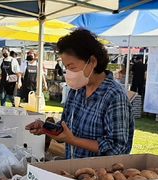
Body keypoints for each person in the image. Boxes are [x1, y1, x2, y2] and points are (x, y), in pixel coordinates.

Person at [25, 29, 134, 159]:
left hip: (99, 176)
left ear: (92, 62)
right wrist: (46, 128)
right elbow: (65, 130)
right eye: (66, 67)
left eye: (72, 67)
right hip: (72, 170)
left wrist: (74, 140)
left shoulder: (114, 96)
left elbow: (117, 148)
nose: (68, 73)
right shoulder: (76, 91)